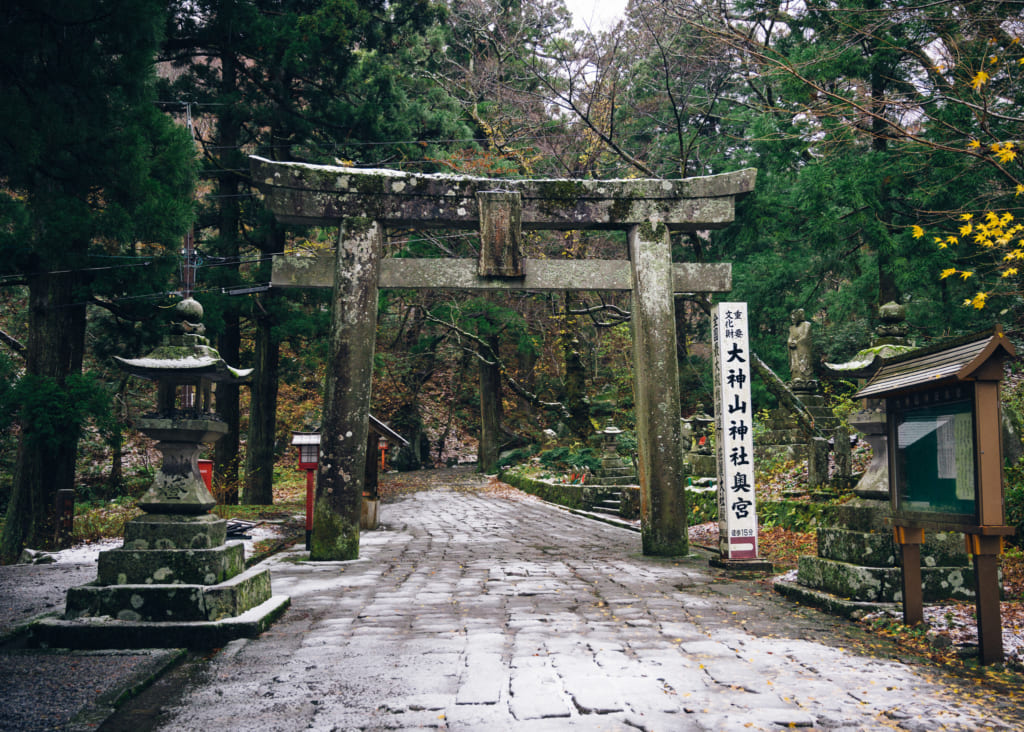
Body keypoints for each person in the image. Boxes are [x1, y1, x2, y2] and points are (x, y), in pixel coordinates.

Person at [787, 308, 813, 383]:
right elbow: (789, 338)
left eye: (794, 316)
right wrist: (790, 342)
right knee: (795, 364)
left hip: (802, 352)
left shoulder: (806, 325)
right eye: (791, 317)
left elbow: (805, 337)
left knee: (804, 364)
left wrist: (797, 342)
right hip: (795, 353)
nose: (793, 318)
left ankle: (804, 376)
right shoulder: (791, 328)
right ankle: (796, 376)